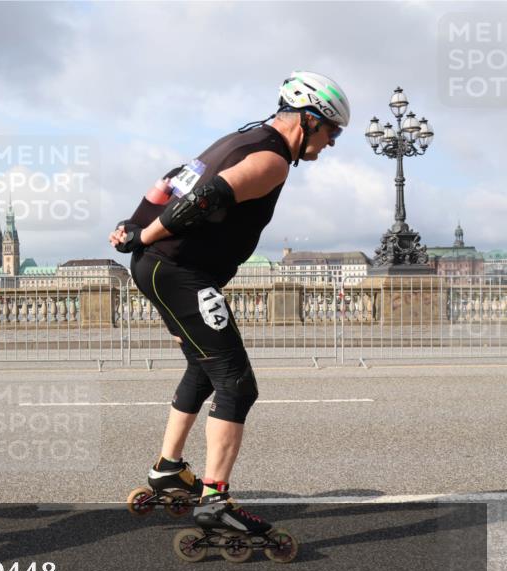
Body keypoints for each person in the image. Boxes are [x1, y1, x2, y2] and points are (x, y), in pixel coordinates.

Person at [111, 72, 349, 536]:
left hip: (159, 267)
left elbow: (169, 182)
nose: (332, 143)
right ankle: (215, 501)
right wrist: (146, 233)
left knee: (204, 367)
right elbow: (205, 196)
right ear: (307, 121)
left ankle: (167, 467)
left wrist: (134, 226)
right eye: (331, 132)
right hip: (180, 271)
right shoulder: (274, 159)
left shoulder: (240, 136)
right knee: (237, 383)